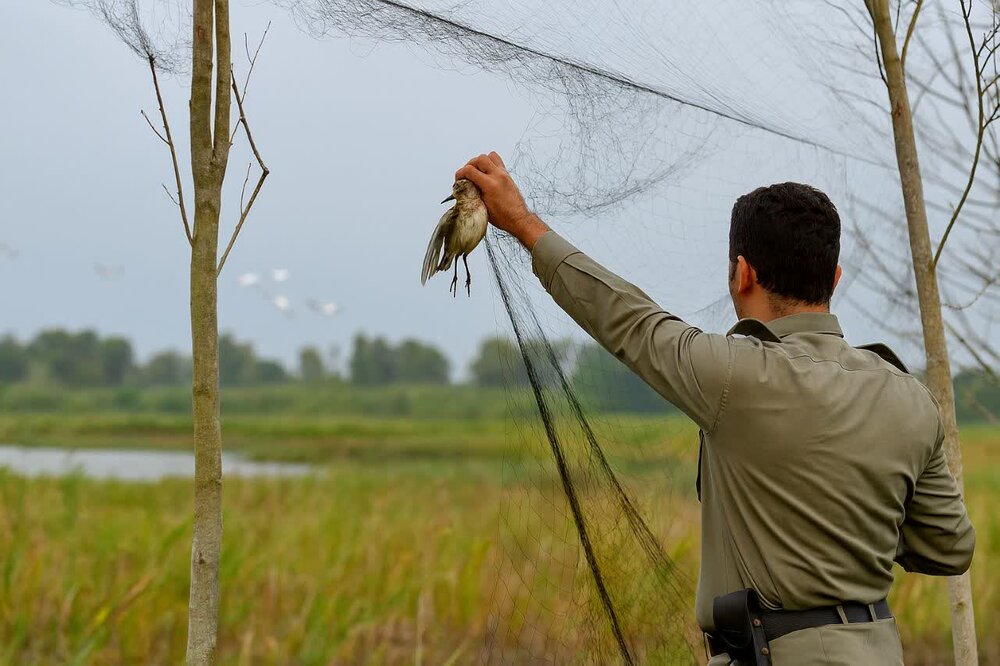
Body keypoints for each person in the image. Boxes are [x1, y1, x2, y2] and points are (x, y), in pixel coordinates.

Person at [455, 152, 975, 665]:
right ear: (834, 279)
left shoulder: (736, 376)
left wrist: (522, 223)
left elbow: (629, 321)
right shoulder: (910, 397)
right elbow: (949, 548)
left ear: (742, 274)